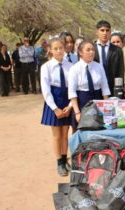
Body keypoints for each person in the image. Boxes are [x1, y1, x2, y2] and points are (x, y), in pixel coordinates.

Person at [40, 37, 73, 177]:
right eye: (55, 48)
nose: (59, 51)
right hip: (53, 101)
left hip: (67, 101)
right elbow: (46, 90)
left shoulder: (70, 66)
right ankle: (59, 162)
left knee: (65, 134)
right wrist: (55, 108)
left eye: (61, 48)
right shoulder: (46, 67)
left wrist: (70, 106)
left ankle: (66, 159)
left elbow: (73, 88)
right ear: (50, 50)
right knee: (56, 135)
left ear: (64, 48)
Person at [68, 41, 111, 130]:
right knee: (79, 131)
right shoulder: (74, 69)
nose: (91, 52)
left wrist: (107, 107)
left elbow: (105, 87)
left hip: (98, 100)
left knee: (98, 130)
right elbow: (72, 92)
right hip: (82, 101)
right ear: (80, 52)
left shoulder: (99, 66)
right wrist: (77, 112)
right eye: (88, 50)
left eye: (92, 50)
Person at [93, 20, 125, 96]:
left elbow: (120, 71)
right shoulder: (91, 49)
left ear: (110, 32)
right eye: (102, 30)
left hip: (112, 88)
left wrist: (119, 88)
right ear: (97, 32)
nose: (105, 33)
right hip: (95, 87)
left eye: (107, 30)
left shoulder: (117, 50)